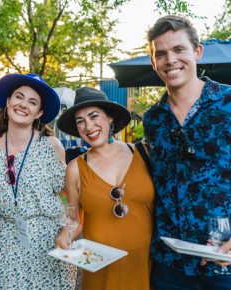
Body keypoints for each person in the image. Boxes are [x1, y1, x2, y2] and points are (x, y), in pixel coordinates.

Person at [143, 15, 231, 289]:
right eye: (161, 53)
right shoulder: (153, 119)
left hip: (223, 263)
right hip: (170, 265)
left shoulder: (228, 103)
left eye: (179, 49)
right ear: (153, 62)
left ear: (197, 51)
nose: (170, 59)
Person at [56, 87, 155, 290]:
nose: (88, 126)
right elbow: (73, 219)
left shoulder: (145, 154)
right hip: (100, 270)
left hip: (146, 265)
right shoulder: (75, 168)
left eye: (94, 116)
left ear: (110, 118)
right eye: (80, 121)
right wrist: (64, 236)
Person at [0, 73, 77, 289]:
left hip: (47, 239)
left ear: (40, 113)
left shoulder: (51, 145)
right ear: (8, 102)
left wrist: (67, 230)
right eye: (19, 97)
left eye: (32, 102)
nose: (23, 105)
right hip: (5, 242)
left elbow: (67, 196)